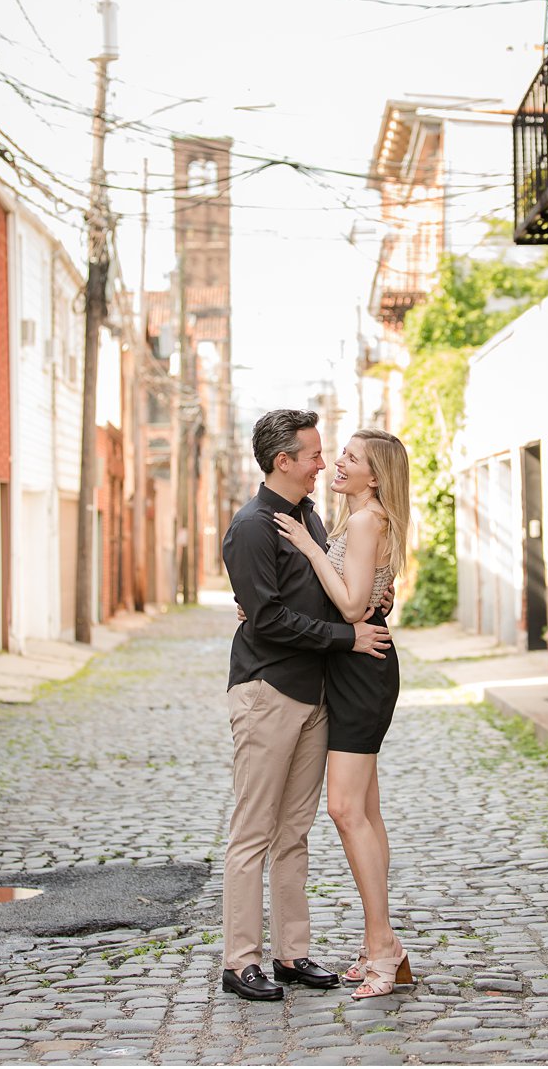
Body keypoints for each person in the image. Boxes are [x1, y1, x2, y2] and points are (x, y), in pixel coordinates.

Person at [219, 409, 392, 1002]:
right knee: (253, 831)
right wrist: (346, 637)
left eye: (327, 454)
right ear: (283, 461)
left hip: (318, 694)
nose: (324, 463)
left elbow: (329, 588)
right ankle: (240, 959)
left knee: (295, 831)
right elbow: (266, 619)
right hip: (268, 691)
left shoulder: (312, 518)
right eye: (314, 455)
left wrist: (374, 594)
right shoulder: (251, 526)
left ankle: (291, 953)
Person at [273, 428, 413, 999]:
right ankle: (381, 945)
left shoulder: (363, 520)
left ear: (374, 476)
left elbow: (353, 604)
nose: (337, 464)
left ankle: (384, 947)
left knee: (344, 809)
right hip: (356, 666)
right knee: (367, 814)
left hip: (362, 671)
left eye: (351, 459)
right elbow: (366, 592)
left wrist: (308, 548)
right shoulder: (358, 519)